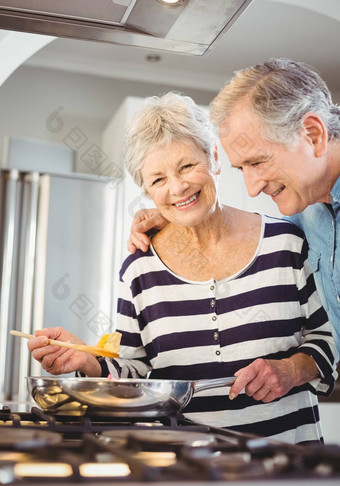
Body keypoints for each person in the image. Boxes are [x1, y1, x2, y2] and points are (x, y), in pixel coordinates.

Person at [28, 92, 338, 445]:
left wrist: (290, 370)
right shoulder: (139, 269)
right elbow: (135, 373)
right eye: (158, 180)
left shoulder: (287, 242)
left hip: (291, 461)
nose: (177, 187)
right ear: (146, 190)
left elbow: (330, 340)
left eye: (187, 166)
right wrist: (85, 360)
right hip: (185, 468)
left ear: (215, 158)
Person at [128, 58, 340, 353]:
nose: (252, 190)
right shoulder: (306, 209)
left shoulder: (292, 222)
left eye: (257, 161)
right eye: (242, 168)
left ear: (313, 135)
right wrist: (181, 217)